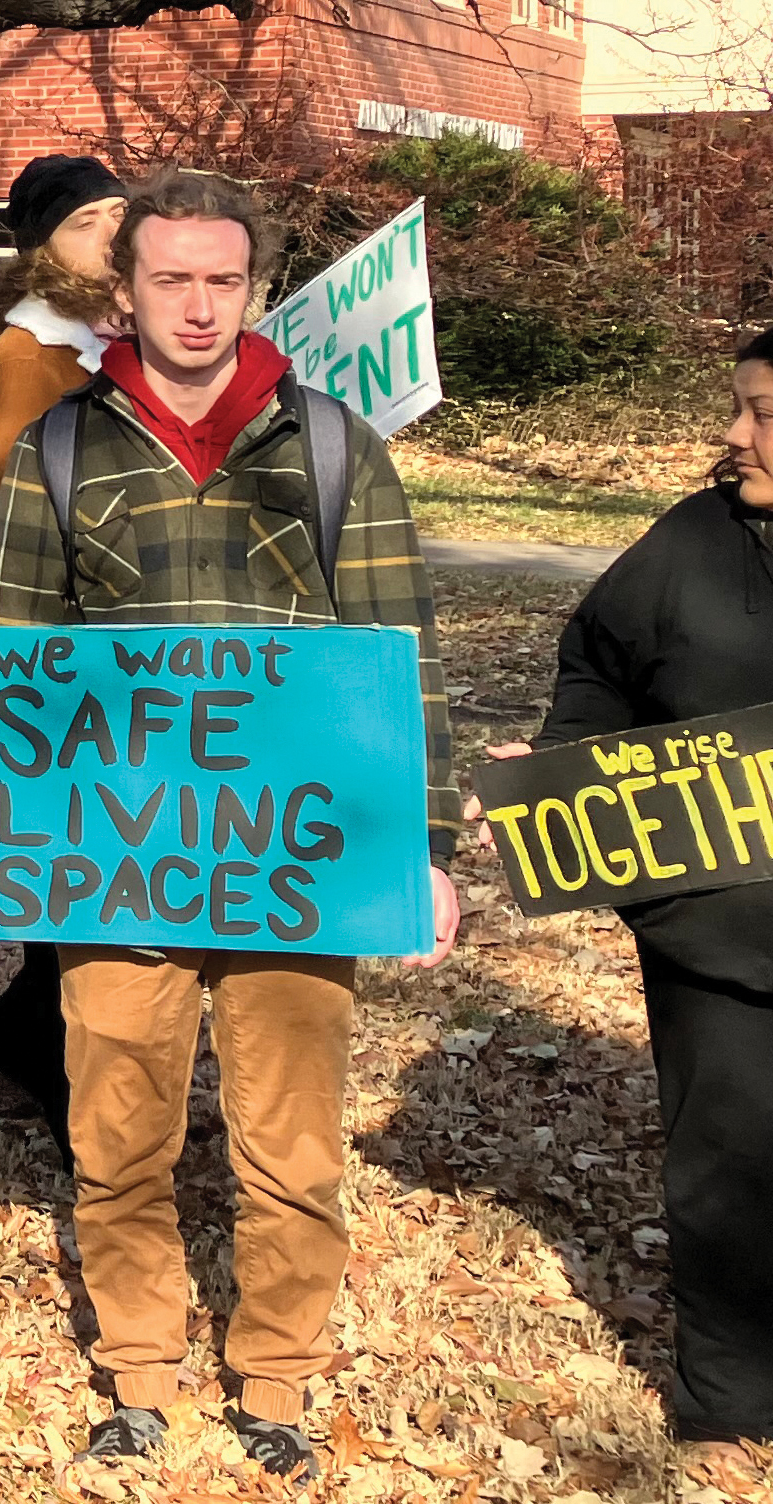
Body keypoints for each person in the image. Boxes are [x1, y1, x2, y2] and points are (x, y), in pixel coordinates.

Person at [0, 168, 461, 1479]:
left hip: (292, 861)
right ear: (122, 288)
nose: (192, 304)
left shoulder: (334, 444)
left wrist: (427, 846)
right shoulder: (61, 447)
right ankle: (134, 1374)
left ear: (252, 286)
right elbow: (10, 652)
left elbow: (396, 652)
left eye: (218, 280)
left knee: (288, 1143)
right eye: (166, 278)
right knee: (117, 1135)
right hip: (118, 854)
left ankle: (276, 1378)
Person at [472, 329, 773, 1453]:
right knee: (730, 1156)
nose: (734, 436)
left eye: (761, 413)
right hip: (716, 927)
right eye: (738, 406)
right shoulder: (690, 543)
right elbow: (596, 662)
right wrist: (558, 769)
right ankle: (735, 1396)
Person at [0, 153, 128, 1162]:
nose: (112, 232)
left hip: (136, 653)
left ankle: (22, 1032)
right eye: (87, 221)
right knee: (85, 876)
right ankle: (65, 1083)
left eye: (120, 213)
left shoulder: (119, 343)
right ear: (41, 249)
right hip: (68, 658)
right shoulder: (27, 367)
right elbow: (10, 521)